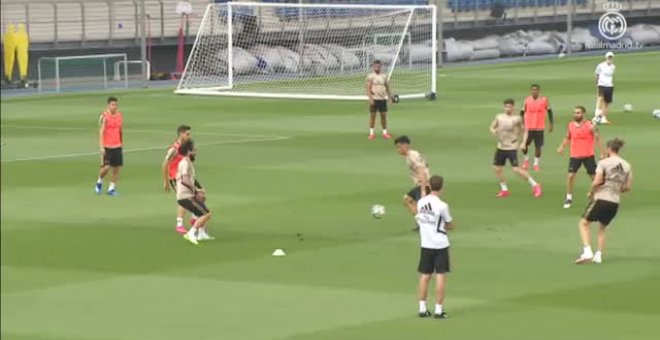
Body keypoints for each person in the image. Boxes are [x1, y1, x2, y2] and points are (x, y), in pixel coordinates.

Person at [575, 138, 632, 264]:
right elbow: (627, 187)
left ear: (609, 149)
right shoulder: (627, 165)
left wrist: (591, 192)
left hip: (601, 198)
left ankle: (587, 251)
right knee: (602, 227)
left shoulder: (604, 163)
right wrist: (615, 188)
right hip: (615, 201)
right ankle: (598, 255)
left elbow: (597, 180)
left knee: (583, 223)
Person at [415, 175, 453, 319]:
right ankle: (438, 309)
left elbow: (421, 218)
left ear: (430, 186)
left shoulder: (421, 203)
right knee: (440, 276)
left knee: (425, 276)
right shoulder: (442, 206)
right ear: (441, 188)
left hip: (426, 244)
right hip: (440, 244)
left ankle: (422, 308)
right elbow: (449, 223)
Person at [490, 99, 542, 198]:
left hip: (511, 146)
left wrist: (523, 142)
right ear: (503, 107)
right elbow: (492, 126)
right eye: (506, 106)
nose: (508, 108)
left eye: (510, 107)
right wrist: (493, 131)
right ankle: (504, 189)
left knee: (516, 169)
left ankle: (535, 185)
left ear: (513, 107)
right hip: (501, 146)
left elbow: (525, 130)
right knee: (497, 168)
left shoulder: (517, 119)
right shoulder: (499, 117)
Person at [557, 106, 605, 209]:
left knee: (594, 178)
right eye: (575, 113)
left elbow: (598, 138)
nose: (576, 115)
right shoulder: (570, 125)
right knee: (570, 176)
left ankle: (599, 197)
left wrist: (602, 152)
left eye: (578, 113)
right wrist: (562, 147)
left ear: (583, 114)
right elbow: (568, 137)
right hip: (575, 155)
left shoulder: (590, 126)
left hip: (588, 155)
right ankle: (569, 197)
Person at [176, 140, 214, 245]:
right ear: (189, 151)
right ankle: (191, 233)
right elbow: (184, 180)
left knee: (202, 210)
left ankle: (201, 234)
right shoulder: (184, 163)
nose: (196, 150)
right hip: (185, 196)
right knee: (206, 214)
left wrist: (198, 190)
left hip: (188, 195)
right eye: (194, 149)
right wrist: (196, 190)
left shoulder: (188, 162)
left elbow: (189, 179)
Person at [162, 125, 195, 234]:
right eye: (187, 134)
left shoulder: (186, 146)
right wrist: (166, 181)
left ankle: (194, 217)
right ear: (181, 134)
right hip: (176, 177)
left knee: (198, 195)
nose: (189, 136)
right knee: (184, 199)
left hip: (185, 176)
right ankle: (179, 224)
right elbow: (165, 164)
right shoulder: (174, 148)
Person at [395, 136, 431, 217]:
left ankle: (425, 223)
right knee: (407, 199)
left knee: (423, 207)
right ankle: (421, 221)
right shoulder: (410, 155)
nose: (398, 150)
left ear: (405, 145)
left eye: (399, 147)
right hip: (422, 184)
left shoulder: (412, 156)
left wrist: (423, 190)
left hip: (424, 184)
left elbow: (421, 171)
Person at [520, 84, 553, 171]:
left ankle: (536, 164)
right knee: (524, 145)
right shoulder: (527, 100)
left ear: (539, 91)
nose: (534, 91)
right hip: (529, 127)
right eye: (532, 90)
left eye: (536, 90)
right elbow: (522, 112)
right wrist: (521, 123)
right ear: (531, 91)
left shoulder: (544, 100)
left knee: (538, 146)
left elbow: (549, 111)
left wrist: (551, 124)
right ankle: (526, 160)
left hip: (539, 127)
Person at [95, 96, 123, 196]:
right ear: (108, 105)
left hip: (117, 145)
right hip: (107, 146)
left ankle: (111, 188)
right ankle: (99, 181)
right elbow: (101, 132)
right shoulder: (104, 116)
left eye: (115, 105)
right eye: (112, 105)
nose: (114, 107)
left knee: (116, 168)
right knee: (106, 168)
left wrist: (121, 143)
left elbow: (120, 130)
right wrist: (101, 146)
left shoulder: (119, 115)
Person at [366, 60, 393, 140]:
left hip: (382, 99)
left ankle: (385, 132)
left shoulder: (384, 76)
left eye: (379, 66)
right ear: (373, 67)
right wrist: (370, 98)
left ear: (381, 67)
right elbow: (368, 88)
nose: (377, 68)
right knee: (373, 116)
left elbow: (387, 87)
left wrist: (389, 97)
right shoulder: (370, 76)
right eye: (376, 66)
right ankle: (371, 133)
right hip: (374, 99)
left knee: (383, 116)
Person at [593, 52, 616, 125]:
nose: (610, 58)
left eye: (611, 57)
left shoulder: (613, 67)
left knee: (606, 103)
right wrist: (597, 83)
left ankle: (603, 118)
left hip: (609, 86)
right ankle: (596, 116)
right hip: (602, 85)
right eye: (609, 57)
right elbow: (596, 74)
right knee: (600, 99)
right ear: (606, 58)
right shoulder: (601, 65)